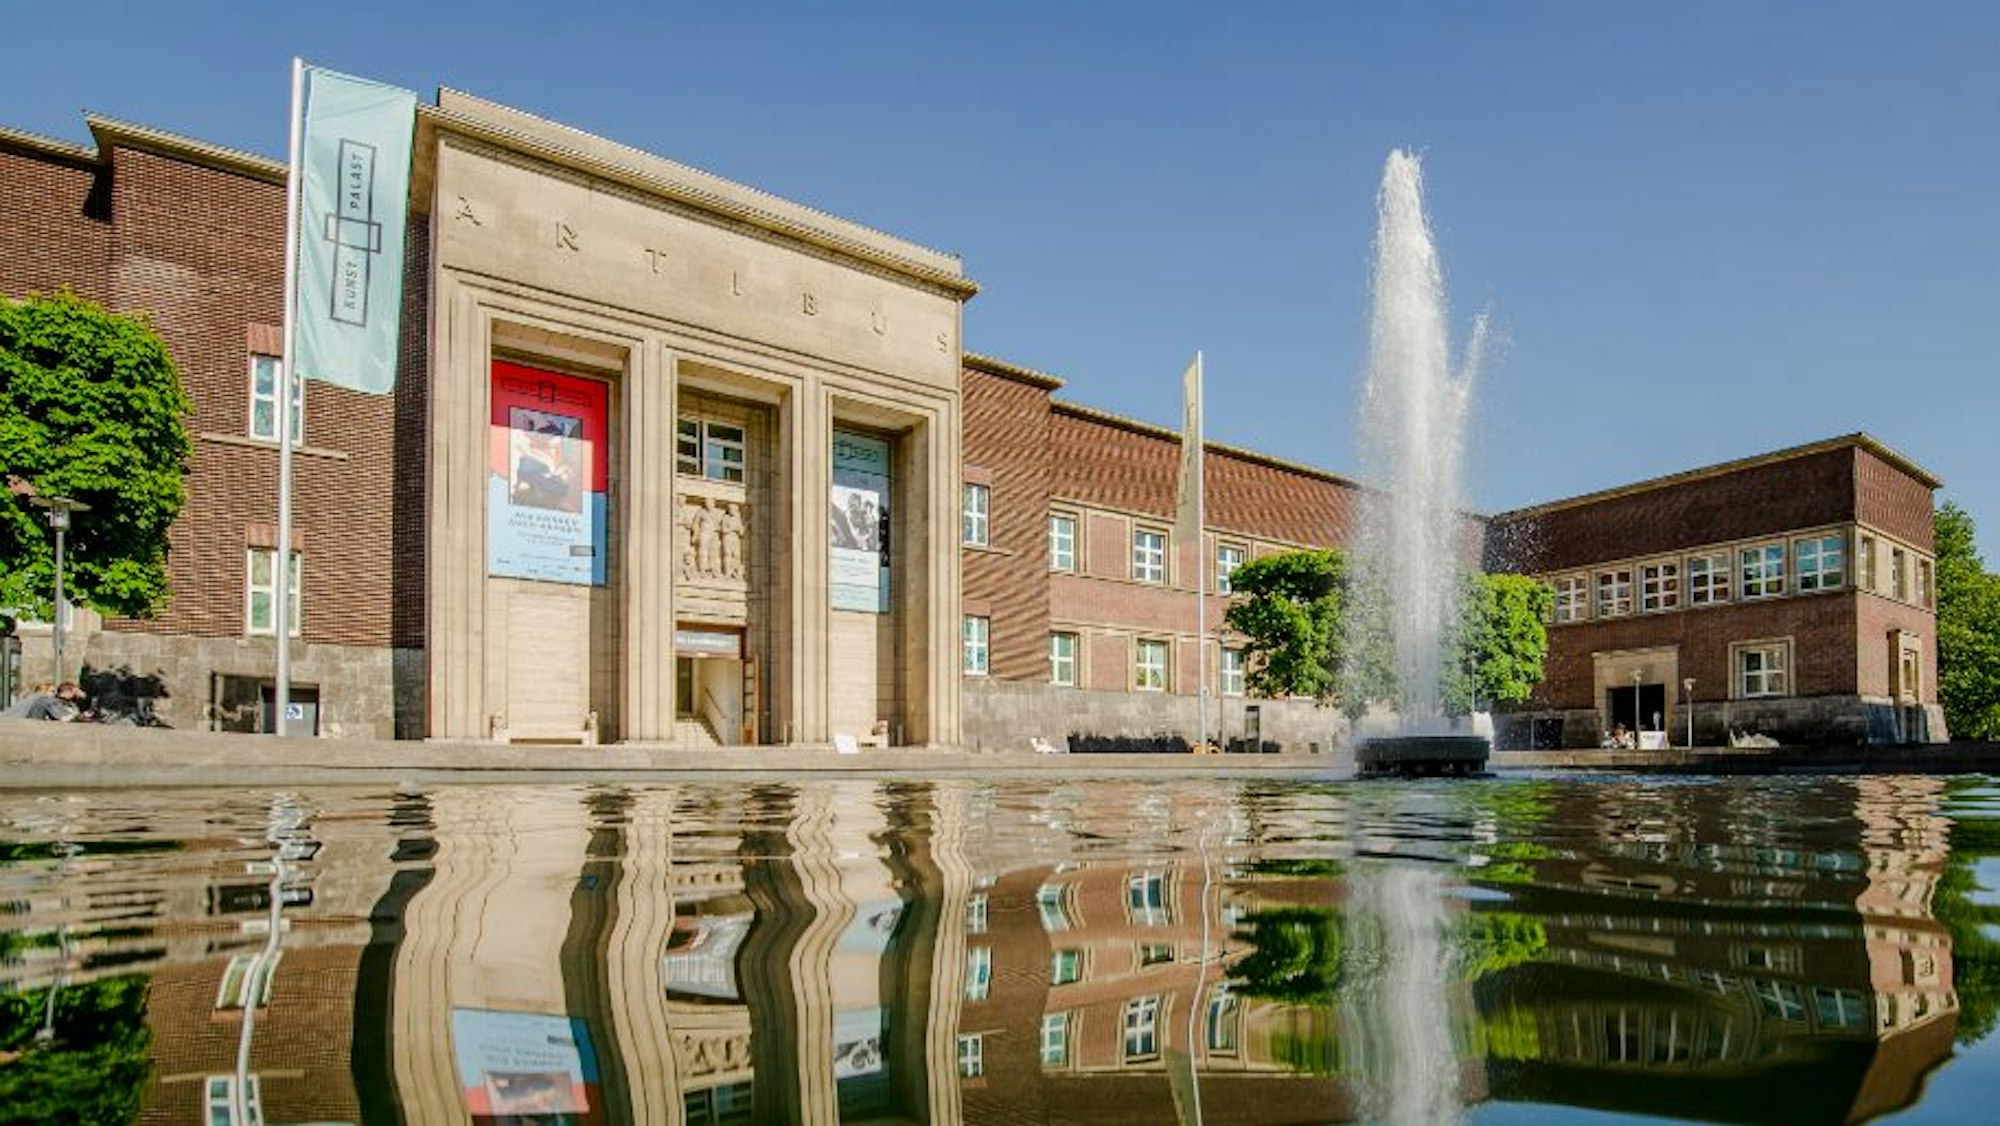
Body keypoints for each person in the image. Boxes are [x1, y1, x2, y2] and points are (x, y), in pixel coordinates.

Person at [2, 681, 85, 721]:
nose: (55, 694)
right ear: (44, 691)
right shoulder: (43, 699)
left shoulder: (34, 699)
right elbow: (63, 717)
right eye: (52, 691)